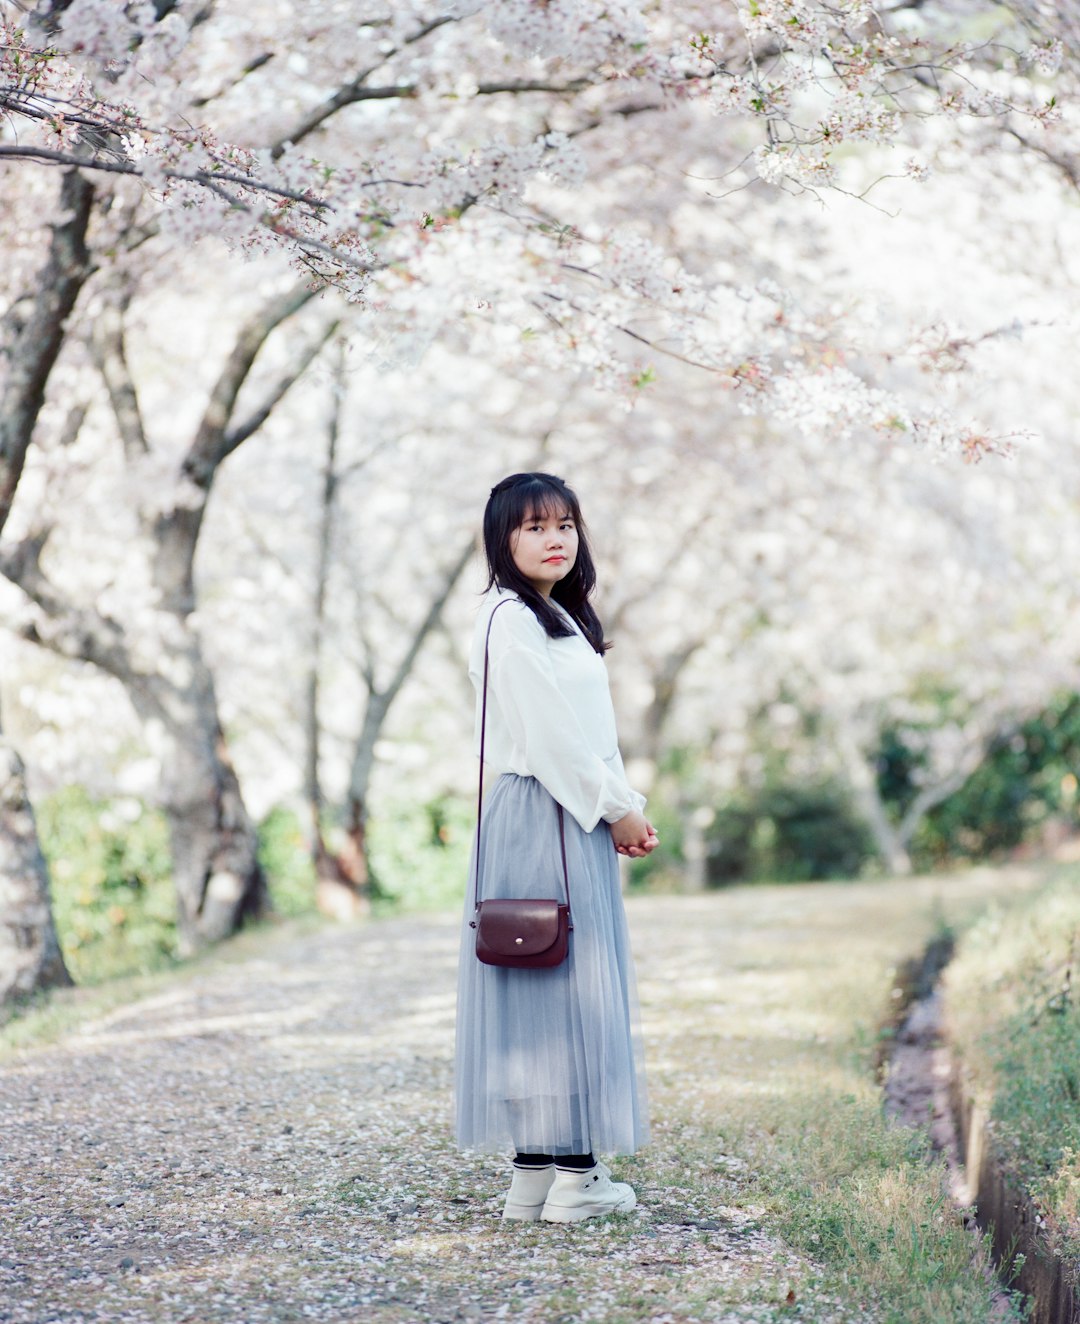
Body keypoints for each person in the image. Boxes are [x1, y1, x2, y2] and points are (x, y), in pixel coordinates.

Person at [455, 471, 658, 1224]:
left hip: (558, 807)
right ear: (502, 539)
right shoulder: (508, 616)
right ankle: (577, 1176)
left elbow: (587, 731)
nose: (555, 539)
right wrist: (615, 810)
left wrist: (622, 802)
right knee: (561, 980)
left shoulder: (550, 616)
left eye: (566, 524)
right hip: (549, 809)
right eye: (536, 526)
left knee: (547, 978)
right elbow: (550, 739)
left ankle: (536, 1173)